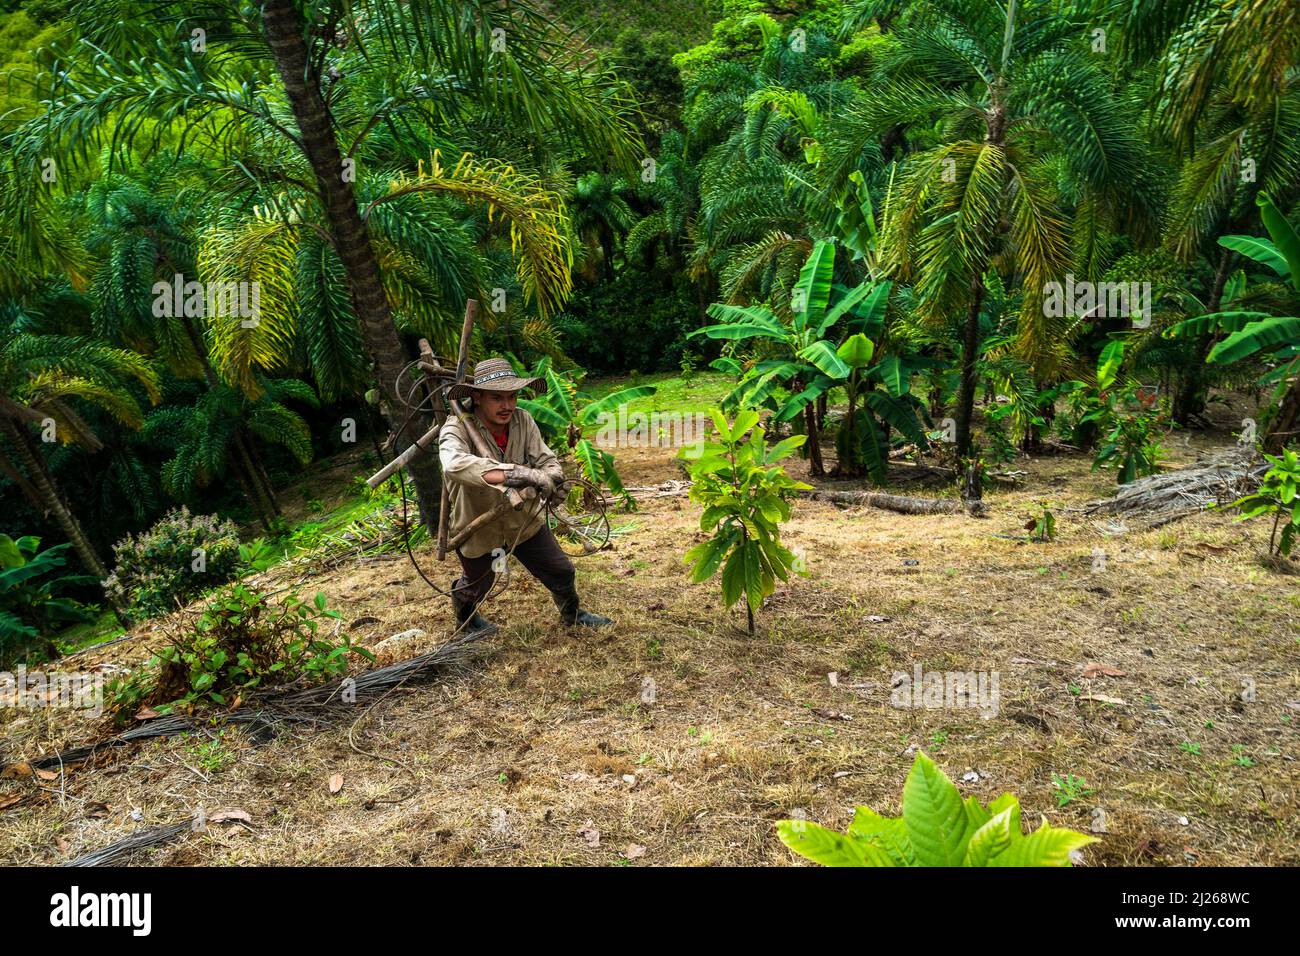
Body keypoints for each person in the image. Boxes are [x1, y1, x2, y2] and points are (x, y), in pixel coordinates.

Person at [438, 357, 614, 636]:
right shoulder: (456, 427)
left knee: (560, 570)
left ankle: (573, 614)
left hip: (522, 519)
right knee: (477, 583)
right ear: (478, 397)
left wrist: (553, 479)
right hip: (478, 521)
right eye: (497, 398)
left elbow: (546, 459)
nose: (507, 406)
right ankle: (466, 621)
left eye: (512, 397)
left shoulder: (523, 420)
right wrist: (518, 473)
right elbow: (453, 465)